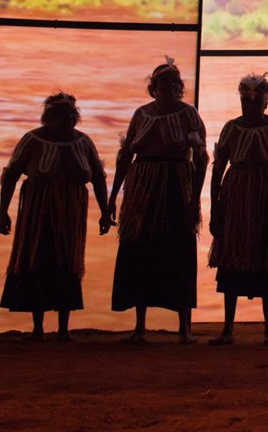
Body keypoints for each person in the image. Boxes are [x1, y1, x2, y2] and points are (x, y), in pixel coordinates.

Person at [0, 92, 112, 341]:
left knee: (67, 265)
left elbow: (98, 177)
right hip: (38, 214)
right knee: (36, 260)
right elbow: (11, 175)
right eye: (62, 117)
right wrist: (2, 212)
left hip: (70, 214)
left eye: (71, 117)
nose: (68, 122)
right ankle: (37, 328)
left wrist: (105, 212)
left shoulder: (83, 142)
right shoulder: (32, 140)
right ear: (49, 118)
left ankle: (63, 329)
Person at [108, 57, 208, 344]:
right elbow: (126, 156)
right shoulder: (141, 115)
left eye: (174, 85)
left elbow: (201, 157)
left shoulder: (189, 114)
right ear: (154, 88)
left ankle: (184, 327)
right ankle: (140, 326)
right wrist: (114, 197)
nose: (169, 90)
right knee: (140, 249)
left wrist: (194, 200)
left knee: (178, 250)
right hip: (143, 189)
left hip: (177, 186)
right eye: (163, 85)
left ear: (180, 88)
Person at [208, 73, 268, 345]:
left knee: (267, 256)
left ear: (265, 103)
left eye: (256, 102)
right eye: (246, 102)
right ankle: (227, 329)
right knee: (233, 257)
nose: (250, 107)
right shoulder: (231, 128)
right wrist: (215, 209)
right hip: (237, 198)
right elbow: (217, 170)